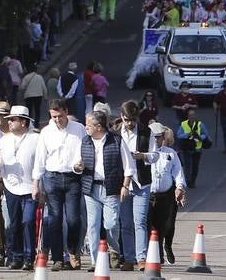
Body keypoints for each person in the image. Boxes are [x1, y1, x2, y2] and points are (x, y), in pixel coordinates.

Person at [75, 110, 133, 270]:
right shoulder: (85, 141)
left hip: (111, 188)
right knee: (92, 225)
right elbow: (76, 163)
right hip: (91, 188)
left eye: (88, 125)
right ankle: (96, 261)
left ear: (99, 127)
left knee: (111, 223)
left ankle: (114, 251)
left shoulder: (116, 141)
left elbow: (129, 167)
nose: (85, 127)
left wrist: (125, 186)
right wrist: (77, 167)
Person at [33, 99, 86, 272]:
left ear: (66, 112)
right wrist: (36, 184)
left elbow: (85, 151)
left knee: (73, 219)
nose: (57, 120)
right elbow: (40, 159)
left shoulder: (78, 129)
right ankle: (57, 258)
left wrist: (80, 163)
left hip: (72, 177)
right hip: (52, 177)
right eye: (54, 117)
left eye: (60, 116)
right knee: (54, 220)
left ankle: (72, 251)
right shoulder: (46, 132)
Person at [0, 106, 37, 271]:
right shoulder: (4, 140)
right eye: (9, 119)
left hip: (30, 187)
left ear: (23, 122)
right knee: (14, 223)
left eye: (13, 119)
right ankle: (16, 257)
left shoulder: (35, 139)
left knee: (28, 221)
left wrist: (40, 186)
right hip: (11, 186)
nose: (8, 122)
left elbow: (40, 164)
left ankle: (29, 256)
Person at [141, 124, 187, 265]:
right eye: (153, 137)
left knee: (162, 226)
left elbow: (178, 172)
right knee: (146, 225)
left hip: (164, 196)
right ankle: (147, 254)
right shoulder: (143, 154)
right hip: (147, 195)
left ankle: (160, 253)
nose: (156, 140)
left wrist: (180, 187)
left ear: (163, 137)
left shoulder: (170, 153)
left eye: (158, 137)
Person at [116, 101, 153, 272]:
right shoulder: (115, 133)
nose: (130, 123)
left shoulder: (146, 132)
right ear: (121, 117)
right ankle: (128, 258)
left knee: (140, 222)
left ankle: (141, 258)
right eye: (126, 120)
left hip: (141, 182)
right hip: (122, 184)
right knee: (126, 223)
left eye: (132, 120)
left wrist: (142, 156)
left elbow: (155, 155)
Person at [175, 106, 210, 188]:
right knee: (187, 165)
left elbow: (205, 134)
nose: (192, 116)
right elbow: (178, 135)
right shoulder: (183, 124)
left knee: (195, 166)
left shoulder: (200, 124)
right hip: (187, 148)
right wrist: (187, 135)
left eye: (193, 115)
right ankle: (188, 180)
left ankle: (193, 180)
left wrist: (200, 137)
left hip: (197, 149)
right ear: (187, 116)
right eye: (190, 115)